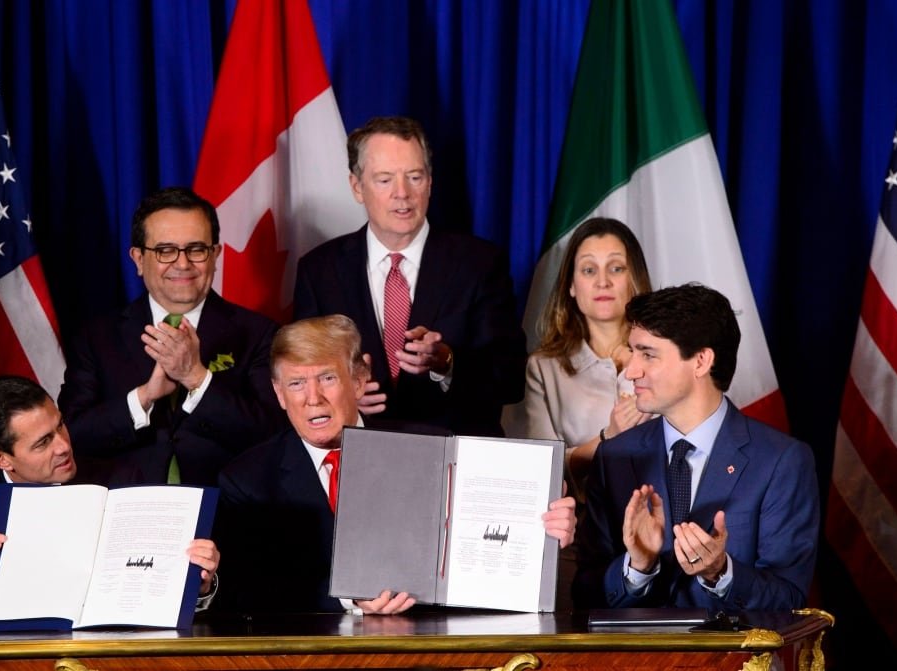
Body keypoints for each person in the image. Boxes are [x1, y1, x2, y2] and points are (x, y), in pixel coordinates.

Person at [214, 315, 575, 615]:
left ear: (359, 380)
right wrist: (349, 597)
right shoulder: (247, 480)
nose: (313, 399)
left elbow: (481, 552)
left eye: (327, 378)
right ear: (278, 393)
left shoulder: (434, 447)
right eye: (296, 383)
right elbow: (250, 594)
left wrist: (539, 534)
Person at [0, 375, 219, 635]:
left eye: (59, 425)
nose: (62, 446)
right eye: (43, 443)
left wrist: (198, 584)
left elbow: (163, 593)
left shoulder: (121, 478)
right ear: (0, 458)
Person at [574, 284, 819, 612]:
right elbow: (584, 593)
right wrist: (637, 568)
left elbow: (788, 599)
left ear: (701, 361)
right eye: (632, 353)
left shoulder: (781, 461)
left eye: (647, 354)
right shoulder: (614, 457)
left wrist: (720, 573)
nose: (631, 371)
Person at [292, 116, 525, 437]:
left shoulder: (480, 264)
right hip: (358, 455)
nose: (402, 193)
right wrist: (343, 396)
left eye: (414, 177)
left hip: (452, 454)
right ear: (357, 187)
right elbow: (299, 377)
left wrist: (448, 363)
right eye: (385, 179)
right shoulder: (319, 270)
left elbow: (511, 379)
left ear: (430, 181)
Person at [58, 187, 285, 486]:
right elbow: (71, 436)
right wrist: (144, 397)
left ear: (215, 255)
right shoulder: (96, 337)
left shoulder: (260, 334)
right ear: (138, 259)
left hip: (228, 510)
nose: (182, 263)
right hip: (127, 510)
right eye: (165, 250)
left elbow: (274, 436)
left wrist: (197, 379)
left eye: (196, 249)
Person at [519, 218, 654, 487]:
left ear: (634, 278)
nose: (602, 282)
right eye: (589, 270)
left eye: (616, 268)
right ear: (571, 285)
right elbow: (539, 469)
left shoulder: (668, 357)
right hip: (579, 523)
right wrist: (609, 436)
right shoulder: (543, 368)